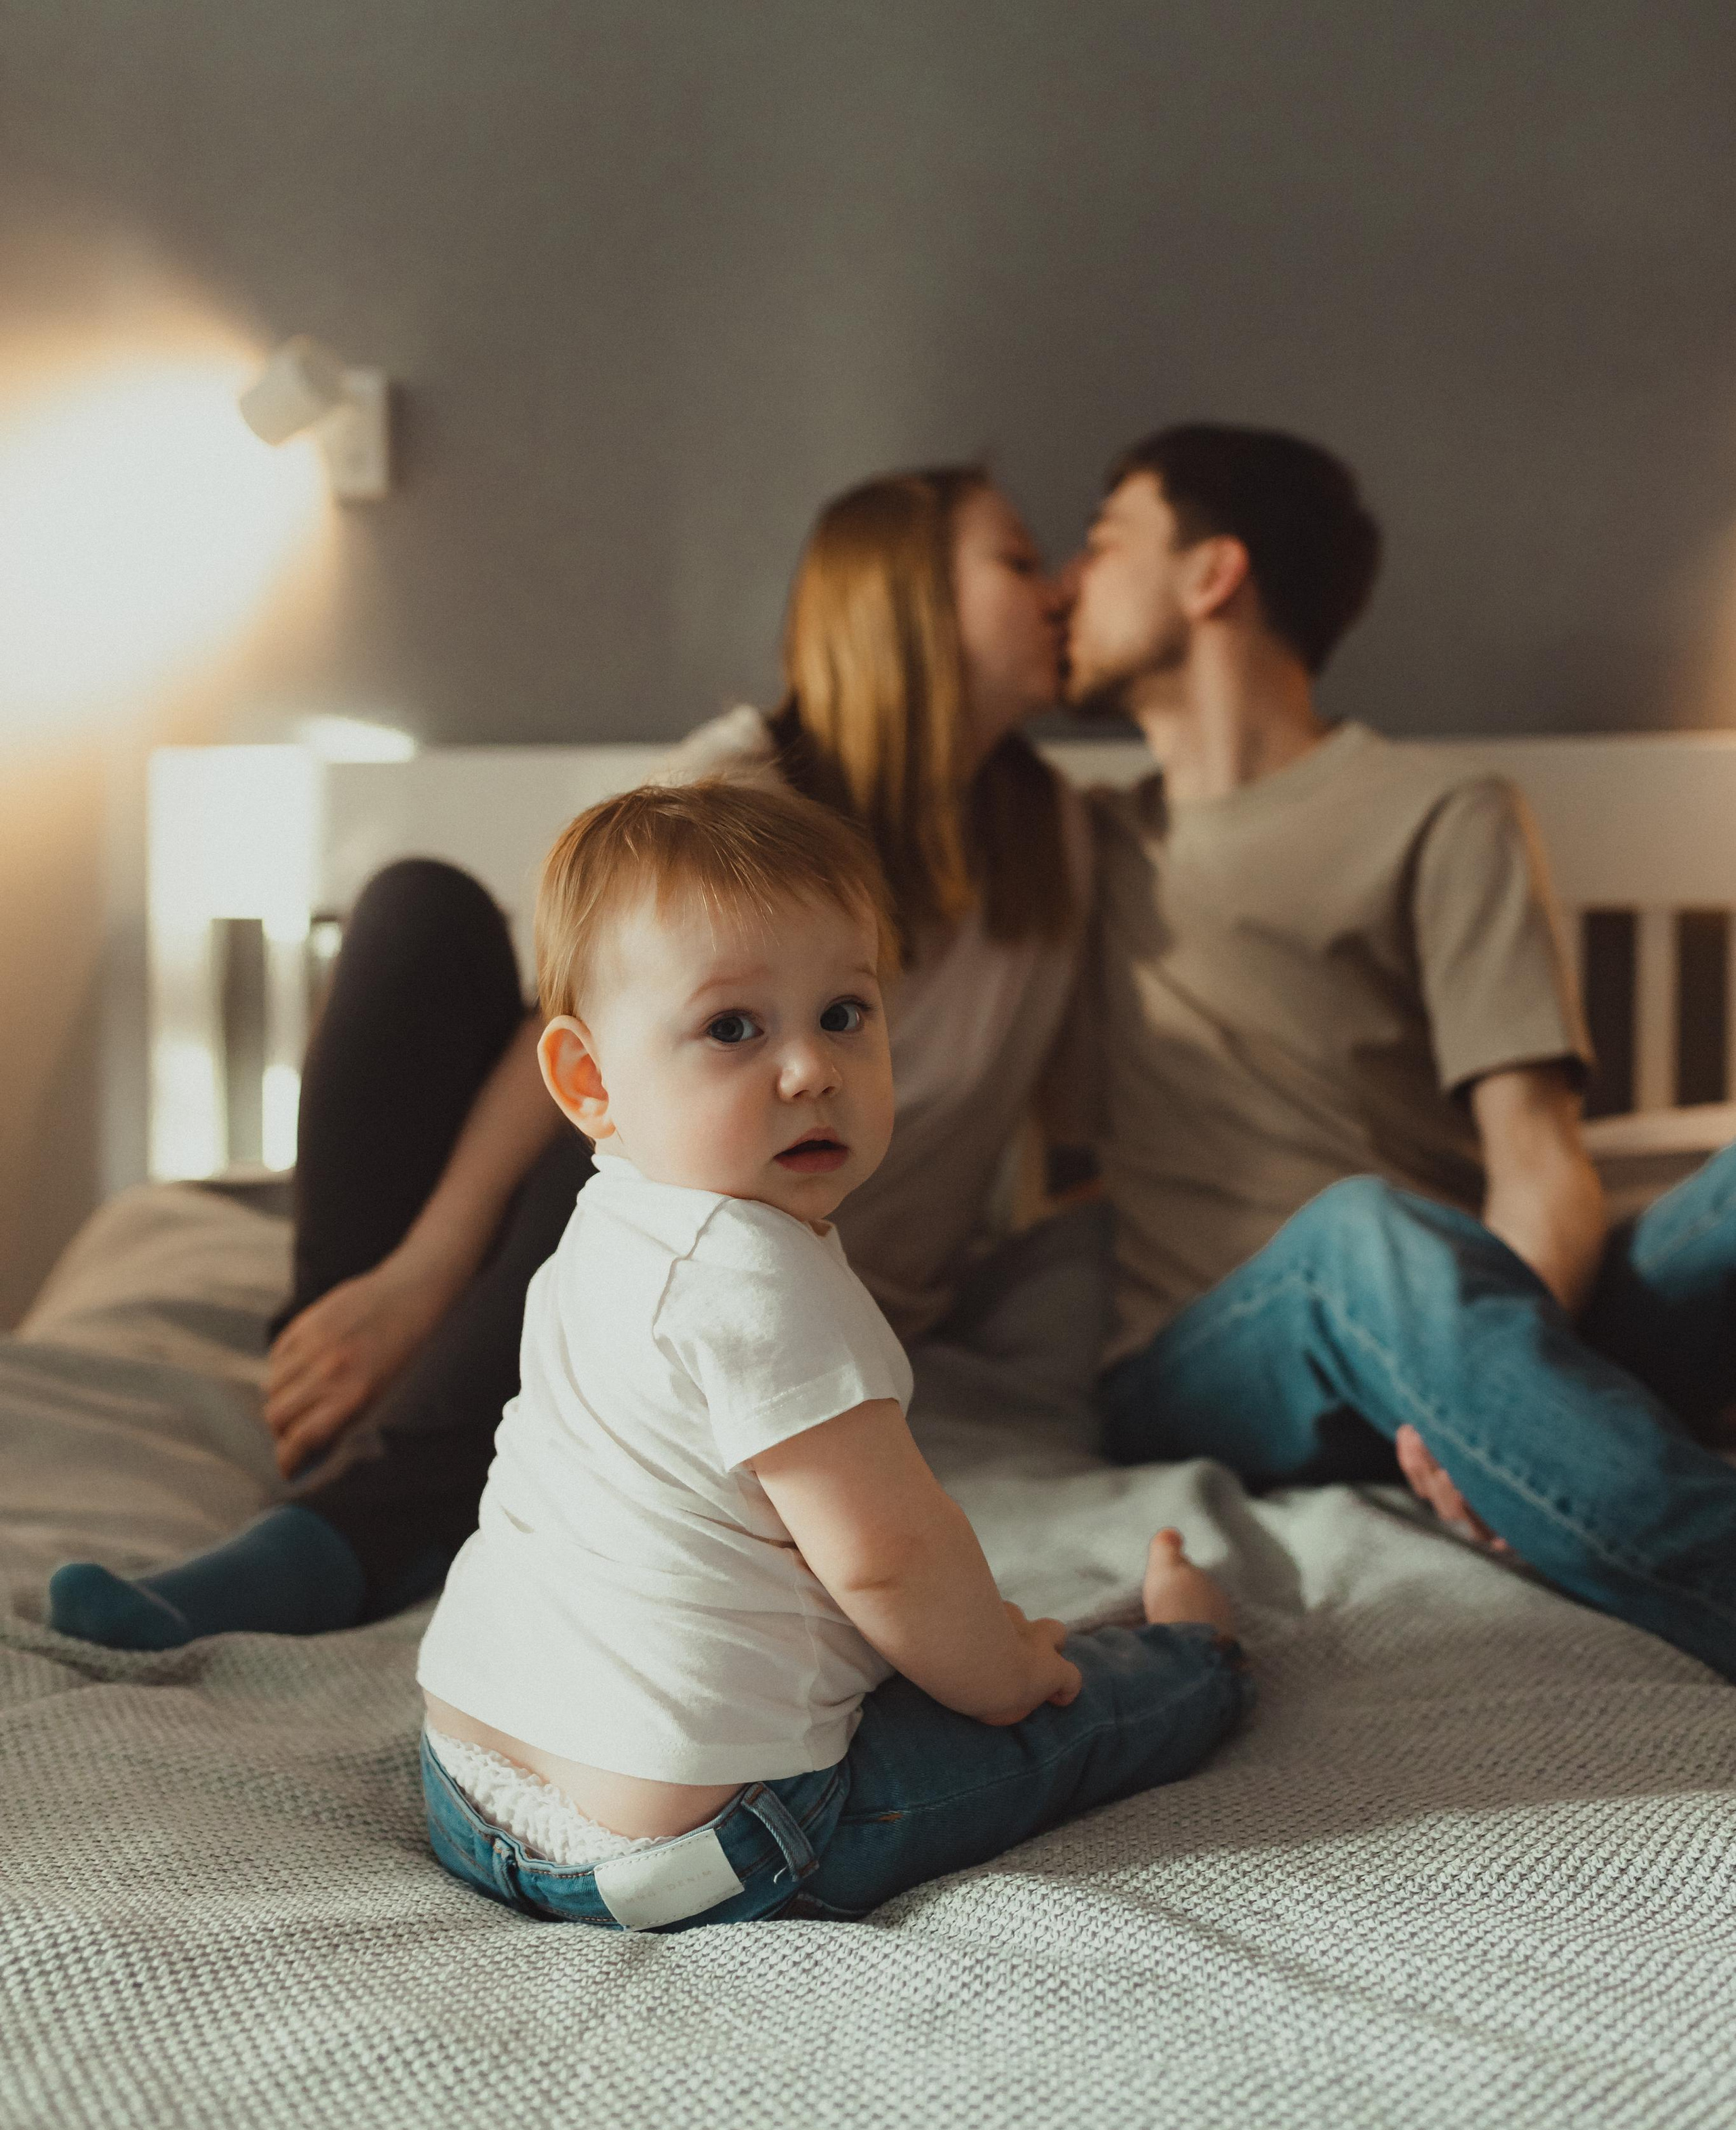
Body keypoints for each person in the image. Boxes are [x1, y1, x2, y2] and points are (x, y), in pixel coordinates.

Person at [50, 466, 1089, 1650]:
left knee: (685, 1139)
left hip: (739, 1312)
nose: (1059, 591)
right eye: (1017, 561)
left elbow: (1074, 1132)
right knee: (440, 925)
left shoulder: (1056, 843)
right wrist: (420, 1273)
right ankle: (374, 1422)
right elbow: (578, 1075)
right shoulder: (726, 795)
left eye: (845, 1015)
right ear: (907, 602)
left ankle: (346, 1527)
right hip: (550, 1257)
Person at [417, 775, 1247, 1929]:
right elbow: (890, 1562)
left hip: (469, 1785)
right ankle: (1197, 1652)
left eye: (845, 1015)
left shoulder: (602, 1235)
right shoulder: (762, 1275)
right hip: (712, 1841)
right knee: (1067, 1716)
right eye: (733, 1028)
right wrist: (1013, 1675)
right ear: (589, 1081)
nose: (810, 1070)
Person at [1063, 420, 1736, 1680]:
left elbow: (1537, 1163)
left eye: (1102, 545)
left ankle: (1547, 1427)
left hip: (1471, 1318)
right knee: (1358, 1236)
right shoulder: (1075, 843)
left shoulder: (1441, 813)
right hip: (1225, 1357)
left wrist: (1479, 1393)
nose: (1065, 586)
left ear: (1213, 574)